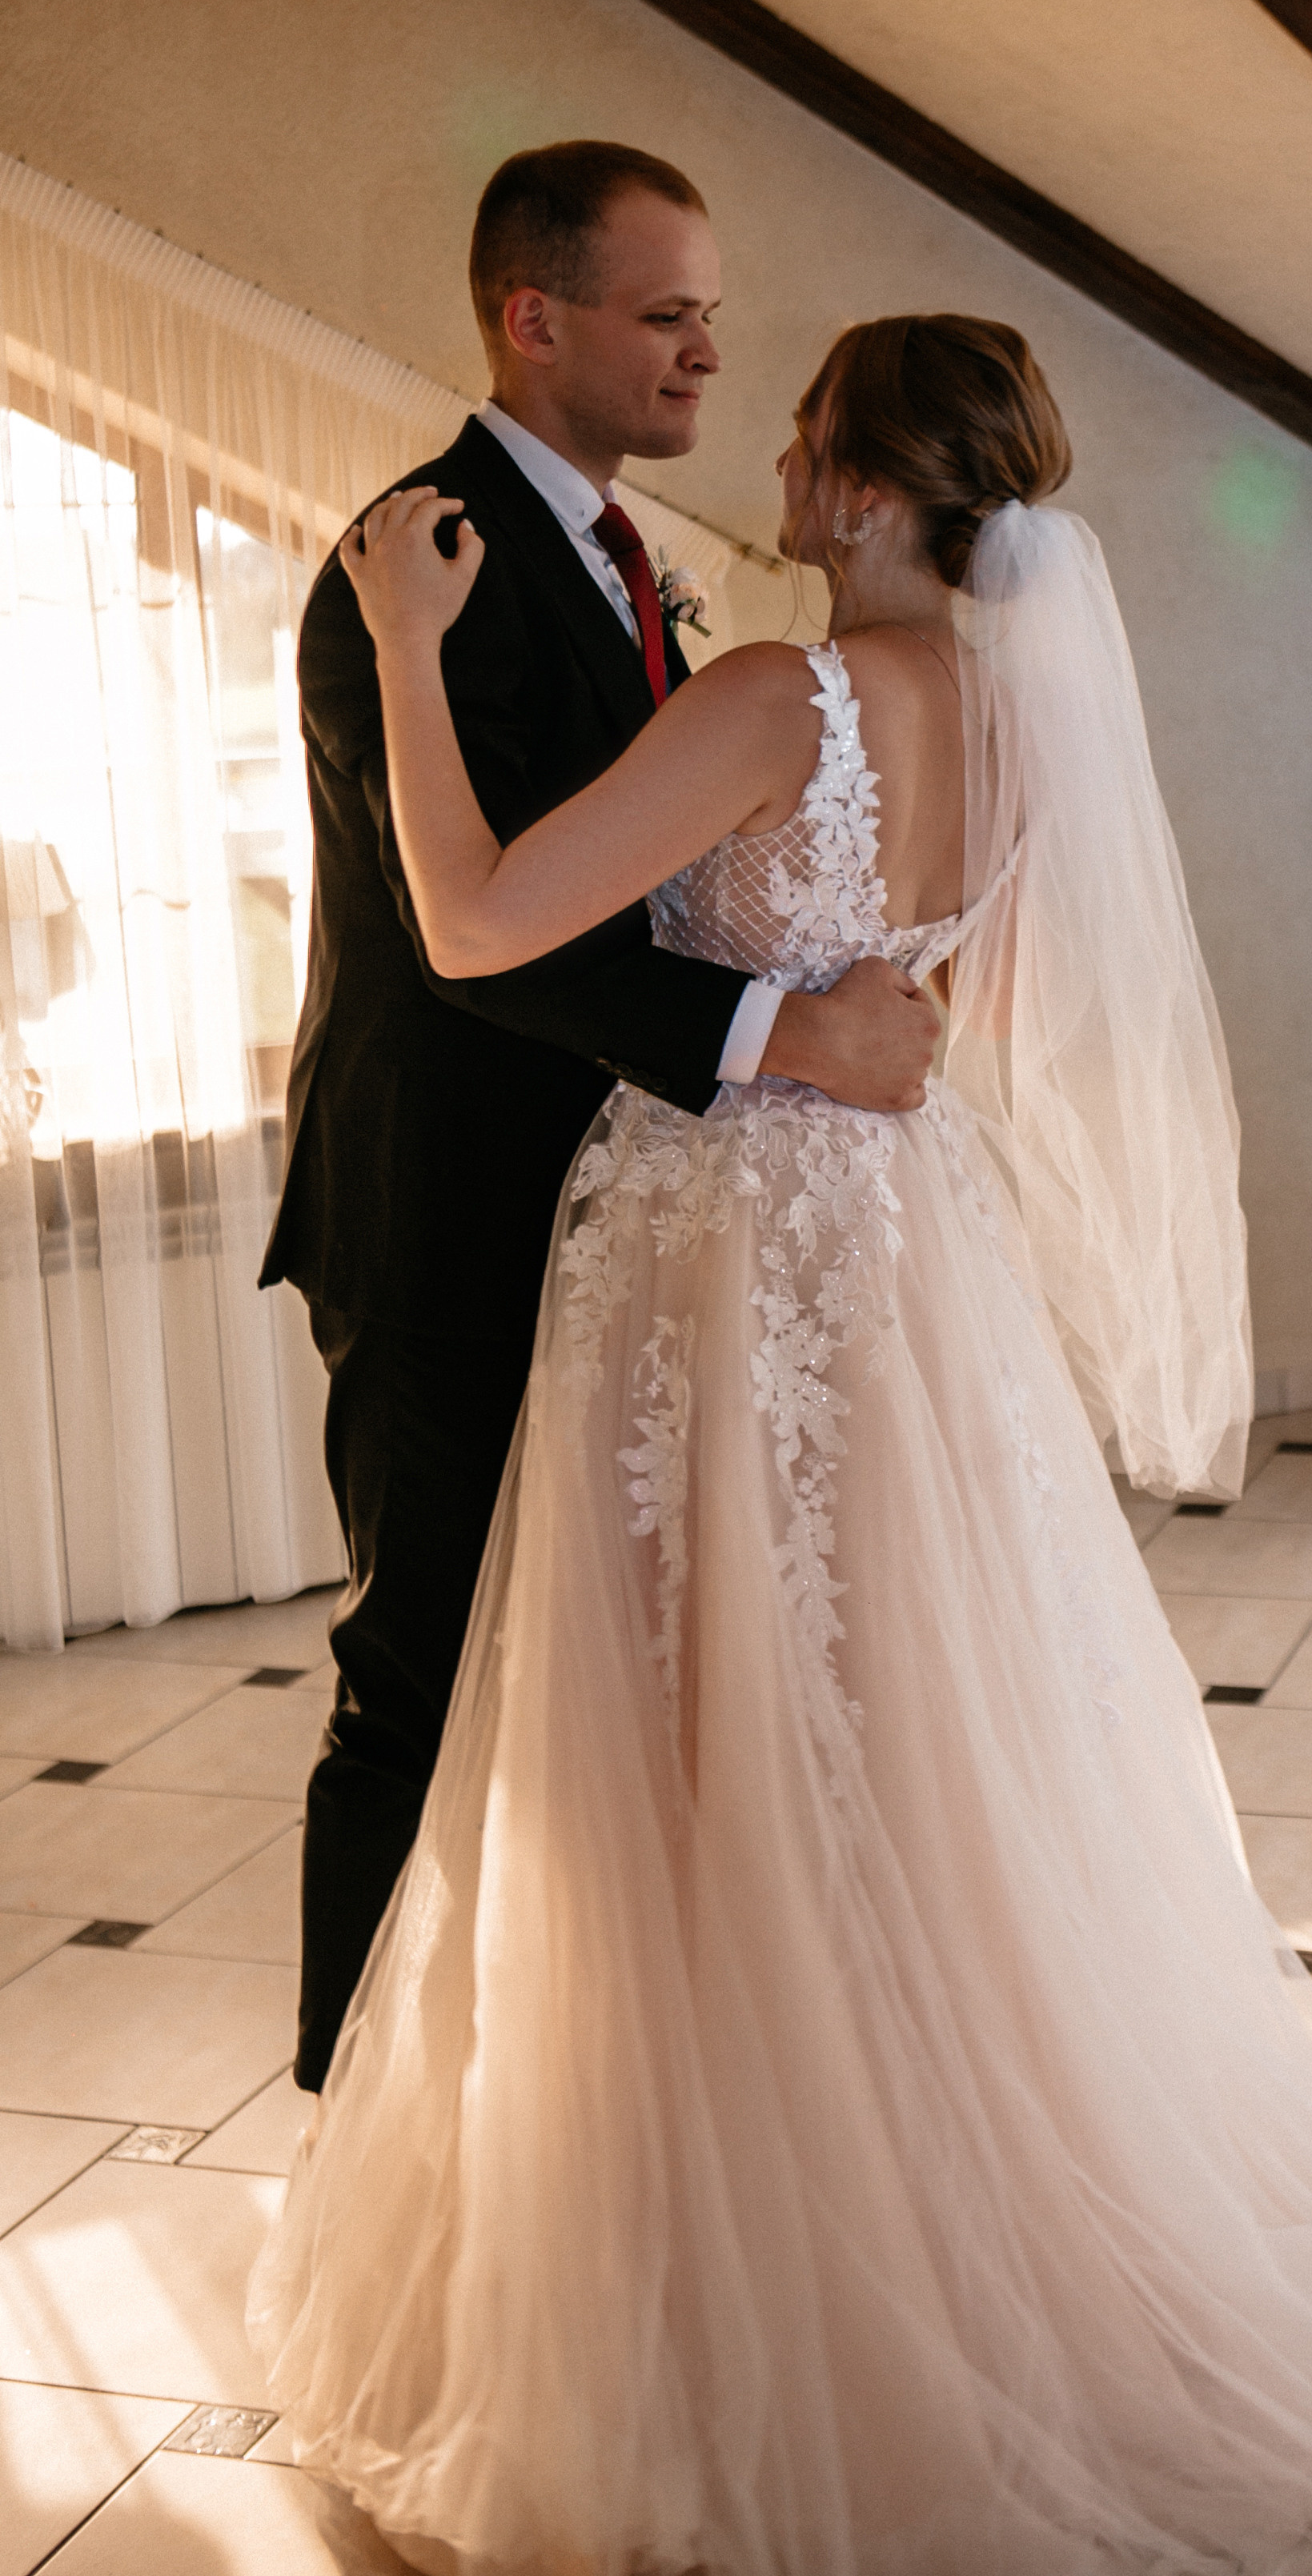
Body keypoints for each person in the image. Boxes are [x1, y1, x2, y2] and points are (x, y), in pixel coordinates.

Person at [252, 314, 1312, 2574]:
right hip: (903, 1255)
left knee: (700, 1753)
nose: (763, 446)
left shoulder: (781, 695)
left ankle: (732, 2254)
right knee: (909, 1733)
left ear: (866, 483)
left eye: (800, 429)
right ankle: (945, 2192)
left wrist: (397, 639)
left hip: (720, 1262)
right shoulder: (1022, 708)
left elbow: (472, 922)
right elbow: (951, 999)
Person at [260, 143, 937, 2093]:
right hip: (447, 1199)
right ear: (530, 316)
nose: (707, 351)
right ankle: (351, 2117)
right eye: (665, 313)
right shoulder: (416, 560)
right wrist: (783, 1034)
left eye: (712, 310)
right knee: (424, 1669)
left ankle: (577, 2103)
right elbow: (472, 942)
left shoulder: (644, 560)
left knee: (609, 1682)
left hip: (628, 1206)